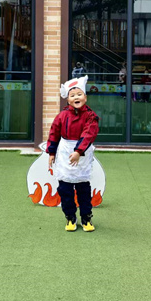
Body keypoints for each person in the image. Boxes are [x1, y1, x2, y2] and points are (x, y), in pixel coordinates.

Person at [47, 75, 100, 232]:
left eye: (79, 94)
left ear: (85, 97)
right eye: (72, 95)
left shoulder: (91, 116)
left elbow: (88, 133)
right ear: (68, 99)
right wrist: (51, 152)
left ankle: (86, 218)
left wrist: (78, 151)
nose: (76, 97)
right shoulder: (62, 116)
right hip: (64, 153)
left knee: (83, 189)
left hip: (82, 153)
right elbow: (54, 133)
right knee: (65, 189)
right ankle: (70, 217)